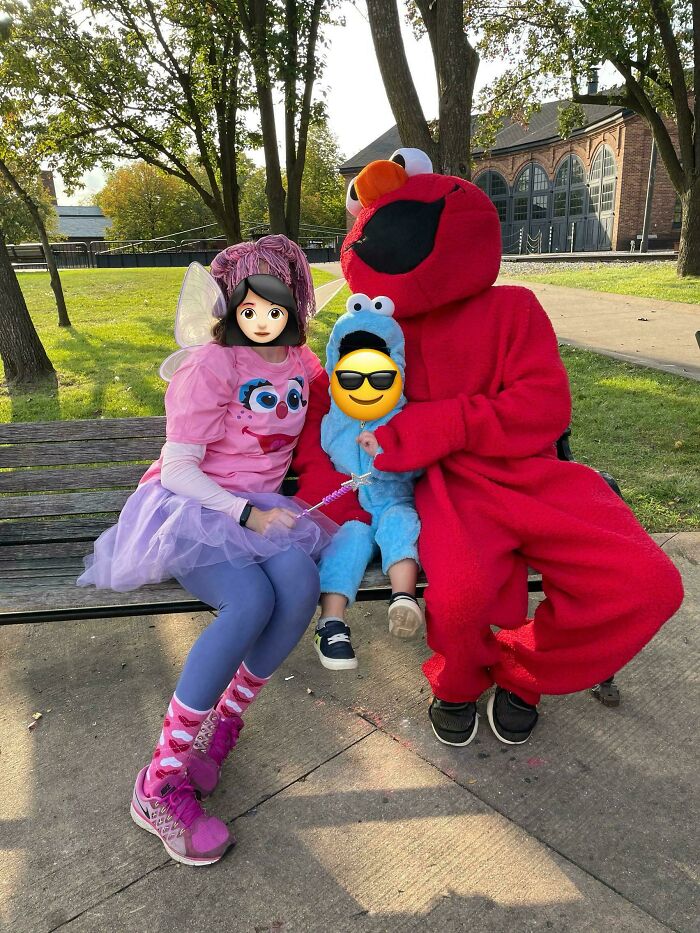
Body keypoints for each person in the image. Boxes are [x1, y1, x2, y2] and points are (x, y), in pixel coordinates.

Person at [342, 148, 684, 748]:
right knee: (460, 597)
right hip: (450, 486)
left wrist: (440, 423)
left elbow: (544, 407)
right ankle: (456, 683)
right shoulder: (379, 331)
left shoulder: (514, 308)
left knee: (646, 584)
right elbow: (353, 408)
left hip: (536, 477)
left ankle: (524, 671)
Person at [77, 236, 368, 865]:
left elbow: (345, 406)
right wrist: (245, 514)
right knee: (249, 603)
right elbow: (179, 470)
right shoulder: (211, 366)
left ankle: (221, 726)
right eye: (250, 305)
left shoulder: (299, 361)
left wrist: (376, 431)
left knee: (299, 587)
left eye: (277, 304)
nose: (263, 317)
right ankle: (158, 783)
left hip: (261, 511)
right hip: (195, 510)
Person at [312, 292, 424, 670]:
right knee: (349, 542)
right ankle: (331, 622)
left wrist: (384, 453)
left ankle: (403, 598)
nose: (364, 382)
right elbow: (325, 461)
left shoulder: (402, 417)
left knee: (401, 525)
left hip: (392, 499)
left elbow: (415, 466)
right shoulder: (334, 421)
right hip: (352, 509)